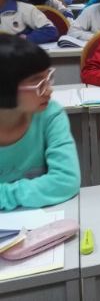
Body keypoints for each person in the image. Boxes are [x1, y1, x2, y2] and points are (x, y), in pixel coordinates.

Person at [0, 35, 81, 210]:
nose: (49, 90)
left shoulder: (50, 114)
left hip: (41, 217)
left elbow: (66, 181)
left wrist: (5, 195)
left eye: (48, 78)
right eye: (38, 84)